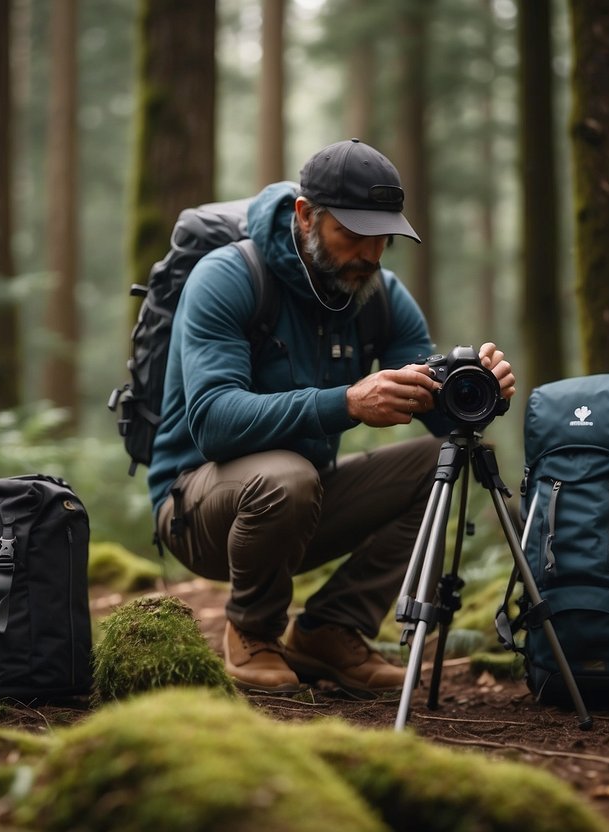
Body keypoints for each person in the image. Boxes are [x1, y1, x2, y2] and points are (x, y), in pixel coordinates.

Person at [147, 138, 515, 697]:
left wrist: (478, 392)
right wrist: (346, 403)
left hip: (304, 500)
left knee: (449, 460)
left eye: (382, 239)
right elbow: (213, 421)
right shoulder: (228, 278)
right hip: (199, 509)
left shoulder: (380, 296)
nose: (370, 254)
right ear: (305, 216)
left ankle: (329, 630)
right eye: (353, 234)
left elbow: (440, 420)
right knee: (286, 476)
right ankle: (253, 628)